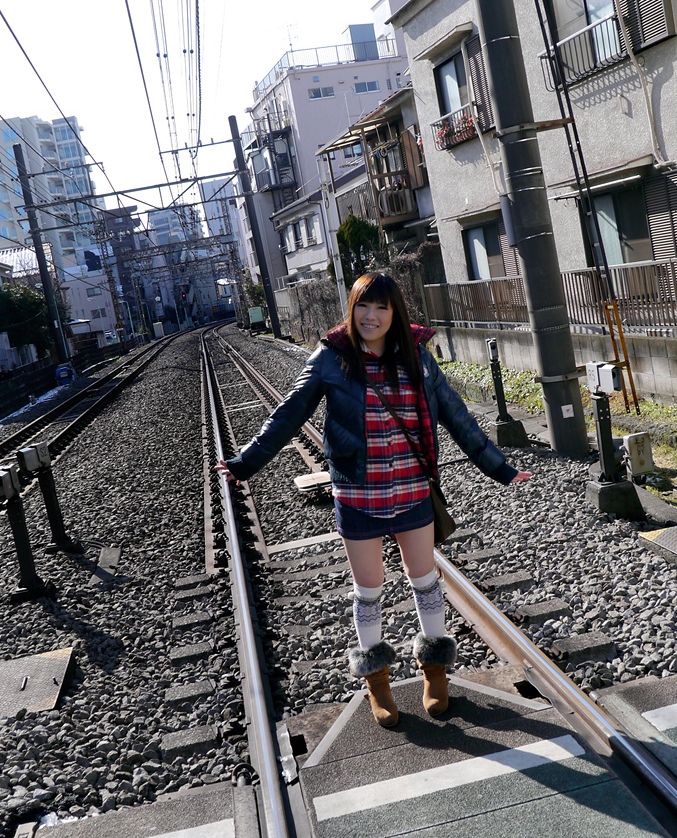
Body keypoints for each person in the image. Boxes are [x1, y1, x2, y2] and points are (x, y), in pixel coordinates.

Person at [216, 271, 531, 728]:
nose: (371, 316)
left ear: (394, 312)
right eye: (363, 305)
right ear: (352, 308)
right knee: (368, 591)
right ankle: (377, 682)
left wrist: (500, 467)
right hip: (357, 494)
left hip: (412, 490)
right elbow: (289, 414)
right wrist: (245, 462)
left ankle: (435, 671)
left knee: (425, 581)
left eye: (382, 307)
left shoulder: (418, 357)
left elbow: (457, 415)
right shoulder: (332, 357)